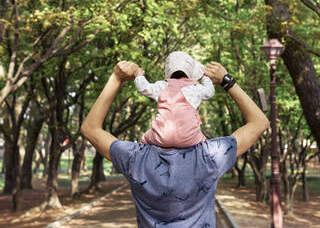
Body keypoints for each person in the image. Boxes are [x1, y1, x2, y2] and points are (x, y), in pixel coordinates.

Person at [81, 60, 269, 227]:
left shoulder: (135, 158)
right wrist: (227, 80)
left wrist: (116, 78)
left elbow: (90, 129)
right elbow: (260, 123)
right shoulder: (210, 157)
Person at [134, 51, 215, 147]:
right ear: (190, 71)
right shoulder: (195, 88)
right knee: (204, 143)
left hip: (160, 137)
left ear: (167, 70)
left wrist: (139, 75)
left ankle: (143, 154)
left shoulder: (162, 86)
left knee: (145, 138)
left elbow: (144, 87)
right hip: (190, 138)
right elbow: (210, 91)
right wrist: (203, 77)